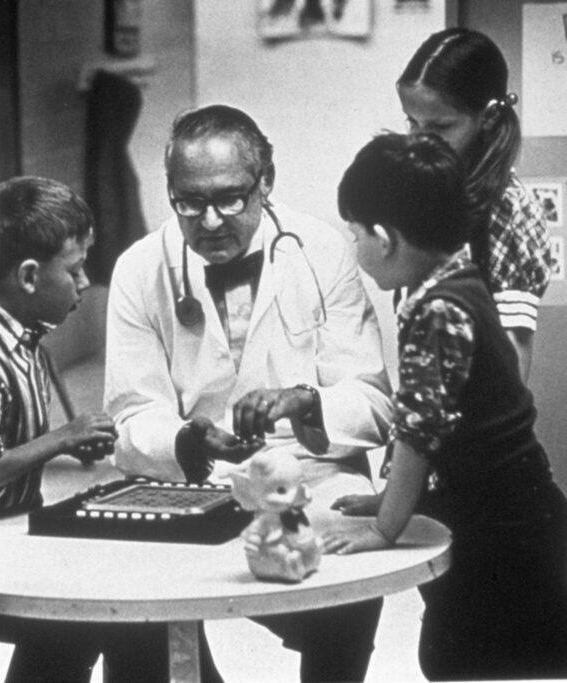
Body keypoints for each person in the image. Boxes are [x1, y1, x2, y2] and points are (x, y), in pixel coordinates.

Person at [323, 131, 567, 681]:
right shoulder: (462, 279)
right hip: (511, 517)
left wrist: (386, 525)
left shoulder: (436, 310)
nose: (354, 248)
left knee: (464, 658)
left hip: (510, 530)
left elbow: (419, 430)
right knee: (462, 656)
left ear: (384, 238)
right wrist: (389, 498)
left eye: (354, 234)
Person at [104, 103, 393, 682]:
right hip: (191, 481)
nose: (209, 221)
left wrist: (307, 401)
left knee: (345, 601)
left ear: (267, 182)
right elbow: (133, 415)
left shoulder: (320, 251)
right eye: (189, 202)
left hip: (312, 471)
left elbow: (374, 403)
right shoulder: (140, 269)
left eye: (230, 199)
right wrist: (187, 440)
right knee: (132, 612)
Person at [0, 176, 117, 681]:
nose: (84, 283)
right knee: (105, 611)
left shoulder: (24, 334)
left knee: (121, 601)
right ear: (29, 276)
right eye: (74, 270)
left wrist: (62, 444)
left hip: (12, 531)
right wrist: (62, 437)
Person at [397, 28, 549, 382]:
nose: (419, 140)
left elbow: (513, 362)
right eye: (412, 122)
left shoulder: (511, 209)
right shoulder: (434, 190)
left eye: (440, 127)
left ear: (490, 117)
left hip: (481, 422)